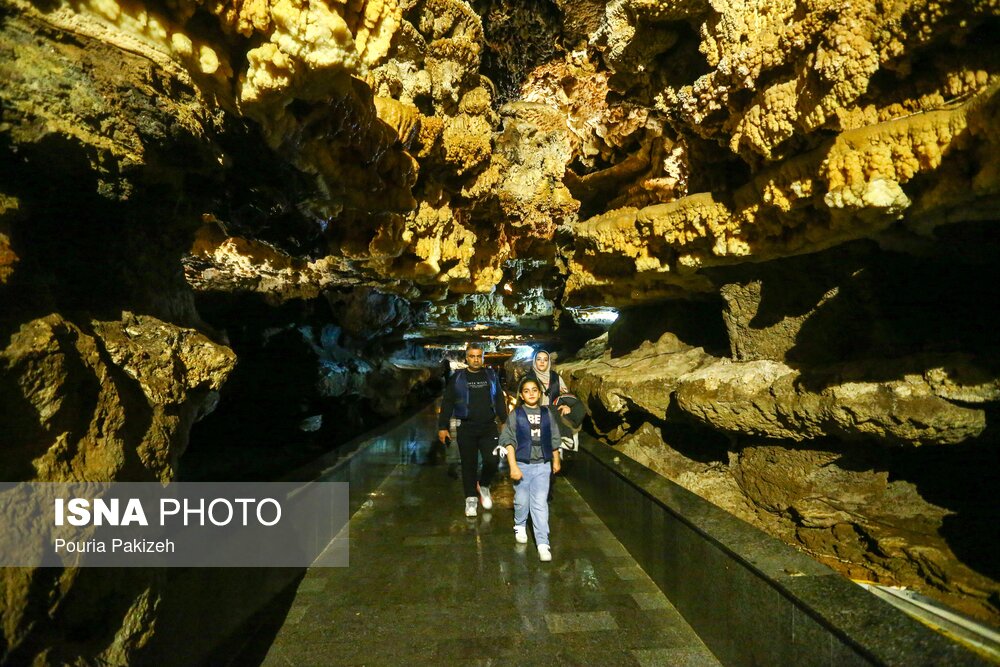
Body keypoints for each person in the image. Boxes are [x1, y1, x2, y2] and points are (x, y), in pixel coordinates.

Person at [438, 343, 508, 517]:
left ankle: (483, 485)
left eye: (479, 356)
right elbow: (447, 402)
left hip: (488, 426)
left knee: (492, 460)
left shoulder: (491, 376)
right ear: (466, 358)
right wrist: (442, 426)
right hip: (466, 427)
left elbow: (499, 398)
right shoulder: (458, 378)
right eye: (472, 356)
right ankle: (470, 498)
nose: (476, 359)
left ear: (483, 357)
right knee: (469, 464)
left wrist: (505, 420)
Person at [499, 378, 561, 562]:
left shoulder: (547, 413)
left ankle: (543, 543)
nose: (531, 393)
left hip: (542, 465)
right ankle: (519, 524)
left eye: (535, 390)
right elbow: (508, 441)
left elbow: (554, 438)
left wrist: (555, 459)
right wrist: (513, 466)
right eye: (526, 390)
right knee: (521, 500)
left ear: (540, 393)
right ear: (521, 395)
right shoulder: (516, 414)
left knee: (540, 503)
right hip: (522, 464)